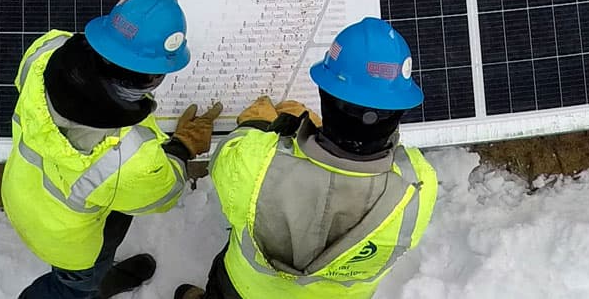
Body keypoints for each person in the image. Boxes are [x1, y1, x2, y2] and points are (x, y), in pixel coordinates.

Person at [174, 18, 440, 299]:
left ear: (324, 94)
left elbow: (227, 154)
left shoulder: (255, 163)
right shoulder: (419, 187)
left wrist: (259, 125)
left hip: (245, 291)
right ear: (400, 108)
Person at [4, 0, 223, 299]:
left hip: (20, 190)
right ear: (154, 77)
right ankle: (87, 287)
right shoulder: (129, 156)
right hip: (68, 242)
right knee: (72, 286)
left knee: (90, 267)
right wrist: (184, 146)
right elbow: (164, 194)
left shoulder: (47, 49)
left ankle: (97, 280)